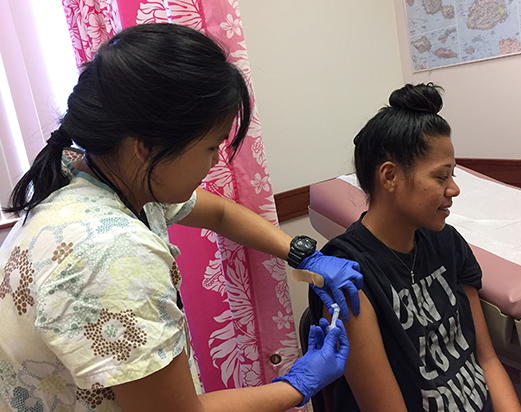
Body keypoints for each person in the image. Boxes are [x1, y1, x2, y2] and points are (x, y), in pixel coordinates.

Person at [0, 23, 362, 411]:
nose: (216, 160)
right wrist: (298, 383)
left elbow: (220, 212)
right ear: (145, 147)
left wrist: (302, 252)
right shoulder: (112, 255)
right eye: (210, 146)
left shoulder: (98, 176)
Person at [308, 83, 521, 411]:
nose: (454, 189)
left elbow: (486, 358)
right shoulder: (348, 275)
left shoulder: (446, 242)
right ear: (390, 177)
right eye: (441, 177)